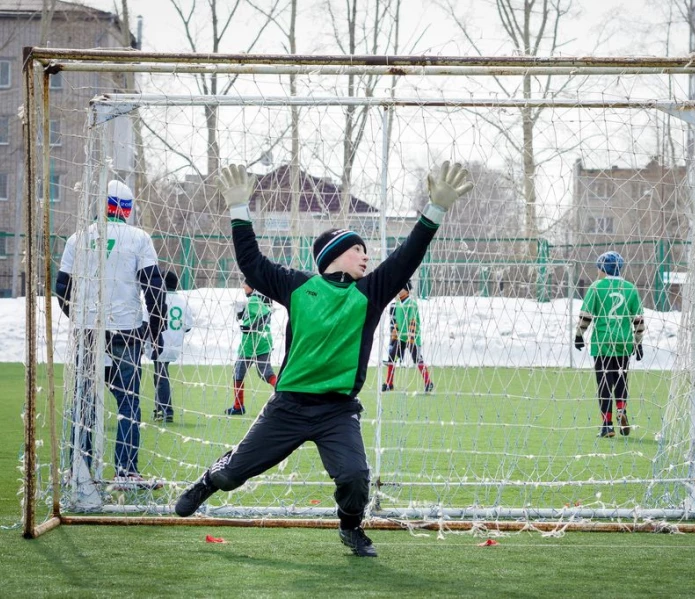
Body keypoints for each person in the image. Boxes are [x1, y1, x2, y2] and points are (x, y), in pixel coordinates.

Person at [175, 160, 473, 558]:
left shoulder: (370, 292)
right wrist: (238, 208)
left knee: (354, 478)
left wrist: (435, 210)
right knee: (232, 476)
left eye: (367, 252)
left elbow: (408, 256)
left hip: (338, 411)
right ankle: (209, 480)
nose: (366, 257)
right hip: (288, 407)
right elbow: (252, 263)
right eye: (357, 249)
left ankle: (351, 528)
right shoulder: (297, 286)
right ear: (333, 254)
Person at [55, 180, 165, 488]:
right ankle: (127, 472)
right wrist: (155, 330)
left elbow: (62, 288)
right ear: (128, 209)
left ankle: (80, 469)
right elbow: (153, 286)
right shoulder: (138, 238)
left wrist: (80, 317)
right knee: (128, 402)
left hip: (88, 333)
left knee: (84, 402)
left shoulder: (78, 239)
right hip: (125, 332)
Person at [574, 251, 645, 438]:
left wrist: (579, 335)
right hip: (623, 343)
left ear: (603, 268)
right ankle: (622, 409)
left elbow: (586, 315)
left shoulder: (597, 287)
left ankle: (607, 425)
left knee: (604, 383)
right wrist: (638, 343)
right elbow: (638, 320)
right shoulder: (630, 288)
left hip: (603, 342)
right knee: (621, 380)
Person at [226, 280, 277, 415]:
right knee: (265, 373)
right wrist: (241, 314)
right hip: (264, 341)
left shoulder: (254, 299)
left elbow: (266, 315)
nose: (243, 286)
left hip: (251, 343)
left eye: (245, 284)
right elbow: (259, 315)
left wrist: (251, 328)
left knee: (238, 373)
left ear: (252, 287)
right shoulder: (258, 299)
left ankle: (238, 407)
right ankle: (284, 392)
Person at [149, 268, 194, 423]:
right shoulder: (182, 301)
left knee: (161, 375)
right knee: (160, 373)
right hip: (174, 343)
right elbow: (188, 326)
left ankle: (166, 410)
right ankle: (159, 408)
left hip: (159, 342)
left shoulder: (157, 299)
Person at [382, 281, 434, 393]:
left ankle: (428, 382)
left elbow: (413, 320)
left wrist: (411, 336)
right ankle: (389, 383)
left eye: (400, 288)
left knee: (416, 358)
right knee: (392, 356)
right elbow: (395, 322)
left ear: (406, 290)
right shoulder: (397, 304)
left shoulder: (412, 304)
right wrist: (394, 336)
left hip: (412, 336)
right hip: (401, 336)